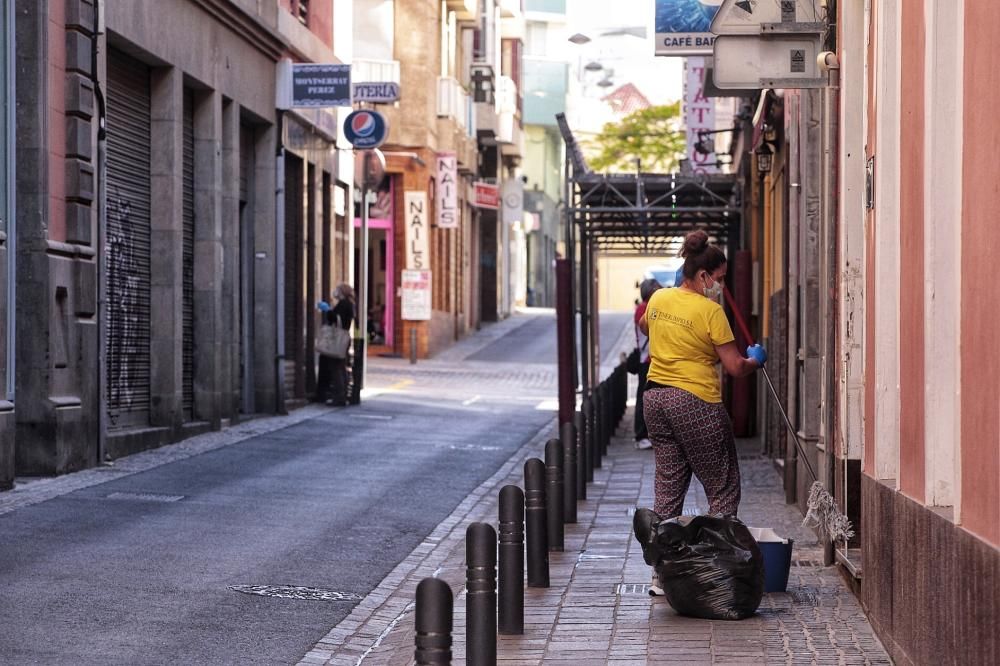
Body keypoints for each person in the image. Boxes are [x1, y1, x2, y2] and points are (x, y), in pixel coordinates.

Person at [639, 230, 767, 596]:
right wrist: (754, 360)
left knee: (669, 486)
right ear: (702, 276)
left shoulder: (659, 298)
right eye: (719, 279)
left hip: (656, 401)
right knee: (722, 485)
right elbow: (734, 368)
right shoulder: (711, 312)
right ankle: (722, 570)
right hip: (695, 402)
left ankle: (662, 575)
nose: (720, 286)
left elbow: (645, 325)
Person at [633, 278, 662, 450]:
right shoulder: (645, 308)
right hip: (647, 359)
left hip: (650, 358)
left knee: (647, 398)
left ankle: (645, 434)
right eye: (657, 288)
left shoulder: (646, 307)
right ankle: (640, 434)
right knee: (643, 398)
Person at [316, 284, 356, 406]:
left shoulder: (344, 304)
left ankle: (339, 397)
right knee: (340, 366)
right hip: (344, 338)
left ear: (342, 292)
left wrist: (328, 310)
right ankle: (342, 395)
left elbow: (336, 319)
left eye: (338, 290)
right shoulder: (350, 304)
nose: (335, 292)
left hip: (338, 339)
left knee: (336, 368)